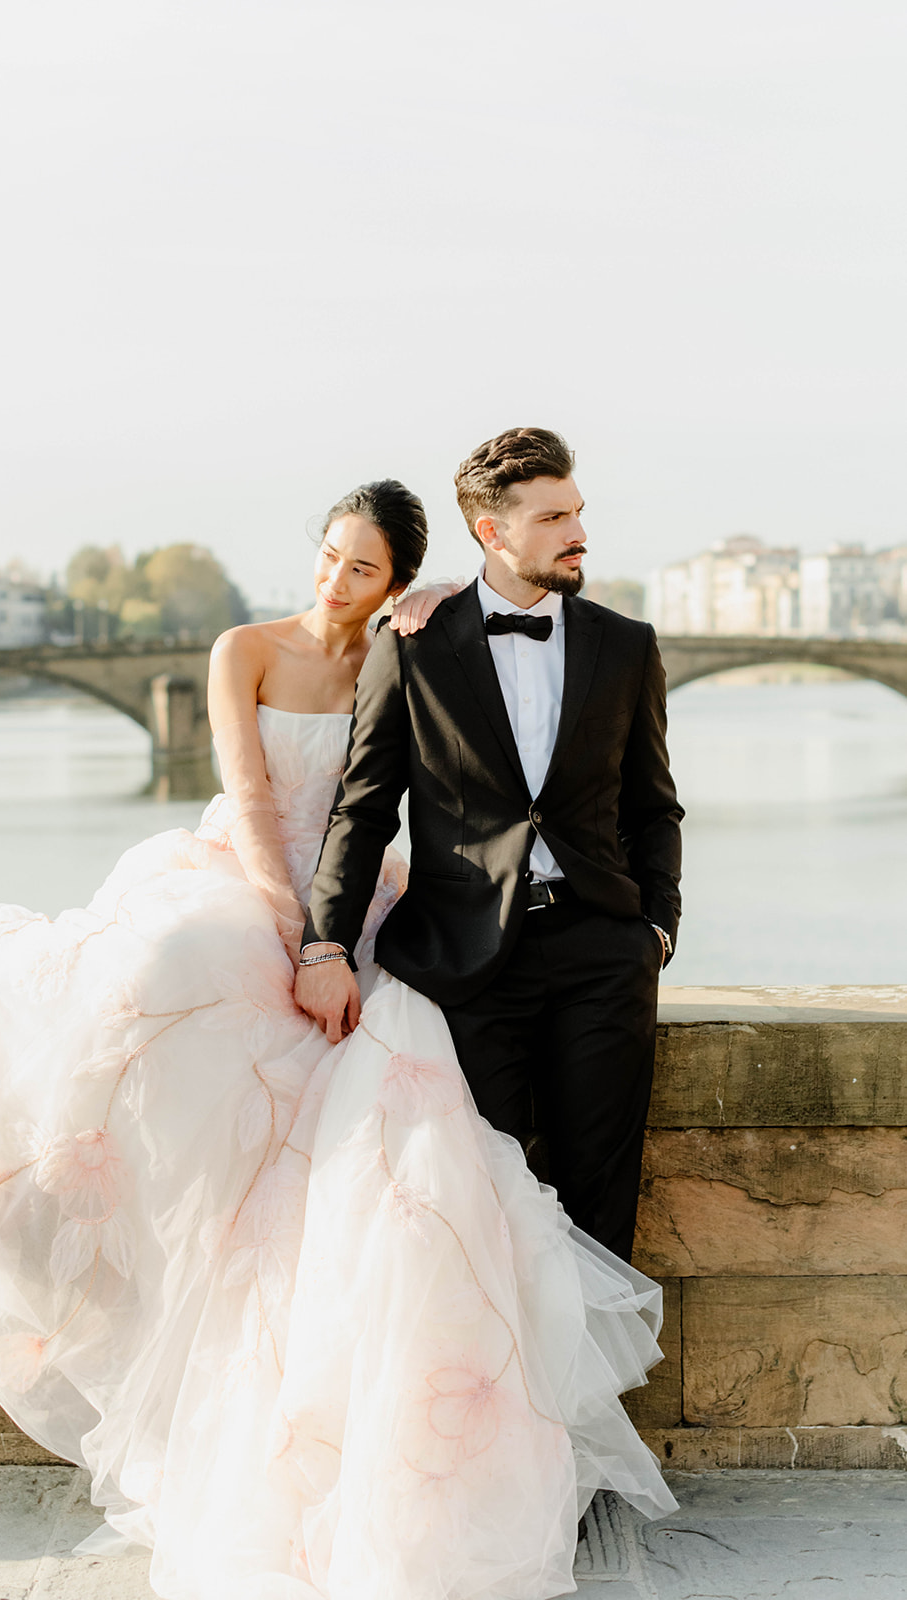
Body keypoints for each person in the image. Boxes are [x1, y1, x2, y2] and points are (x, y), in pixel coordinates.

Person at [0, 476, 675, 1600]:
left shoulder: (406, 645)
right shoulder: (247, 646)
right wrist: (297, 933)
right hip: (250, 879)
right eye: (330, 557)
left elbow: (387, 797)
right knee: (168, 976)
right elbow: (246, 795)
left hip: (359, 899)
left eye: (362, 567)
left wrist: (341, 929)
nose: (335, 580)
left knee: (399, 1114)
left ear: (397, 581)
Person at [297, 427, 684, 1266]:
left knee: (600, 1196)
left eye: (577, 512)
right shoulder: (412, 646)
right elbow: (362, 810)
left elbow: (654, 809)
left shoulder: (626, 647)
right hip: (467, 960)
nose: (577, 531)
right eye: (551, 518)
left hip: (601, 955)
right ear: (492, 533)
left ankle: (591, 1396)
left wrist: (654, 929)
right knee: (480, 1201)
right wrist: (323, 941)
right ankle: (502, 1397)